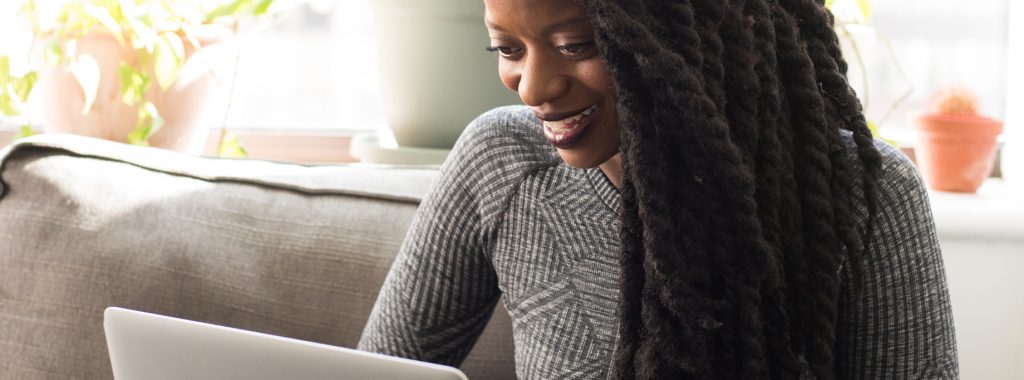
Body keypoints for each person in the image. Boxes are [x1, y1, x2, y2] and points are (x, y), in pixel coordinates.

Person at [358, 0, 959, 378]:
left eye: (575, 46)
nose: (533, 87)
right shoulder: (501, 161)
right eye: (508, 49)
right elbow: (376, 369)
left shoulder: (866, 194)